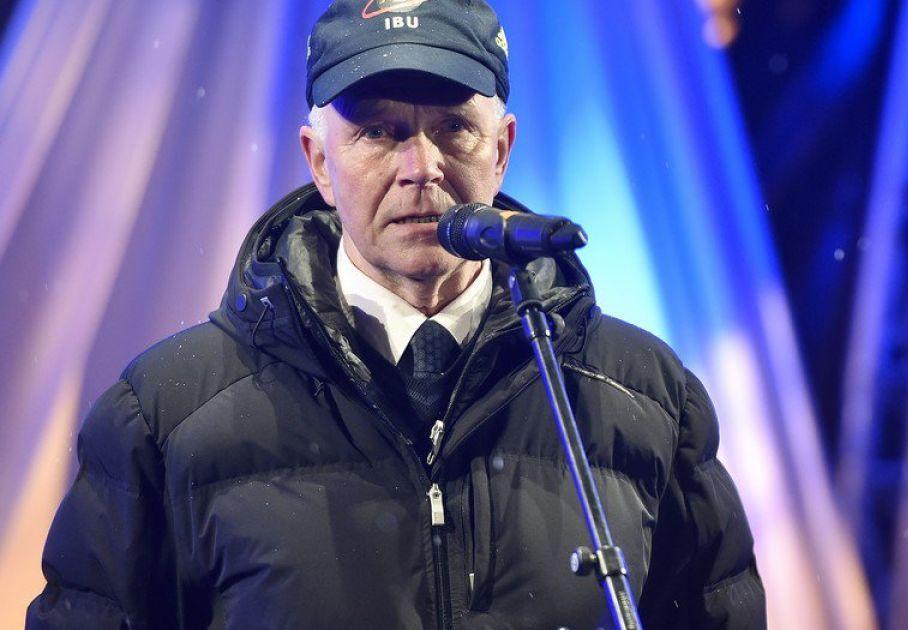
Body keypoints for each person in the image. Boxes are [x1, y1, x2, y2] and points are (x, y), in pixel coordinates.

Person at [27, 1, 765, 628]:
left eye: (453, 127)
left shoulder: (647, 397)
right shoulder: (164, 413)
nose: (421, 167)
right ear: (319, 161)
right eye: (378, 132)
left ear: (502, 149)